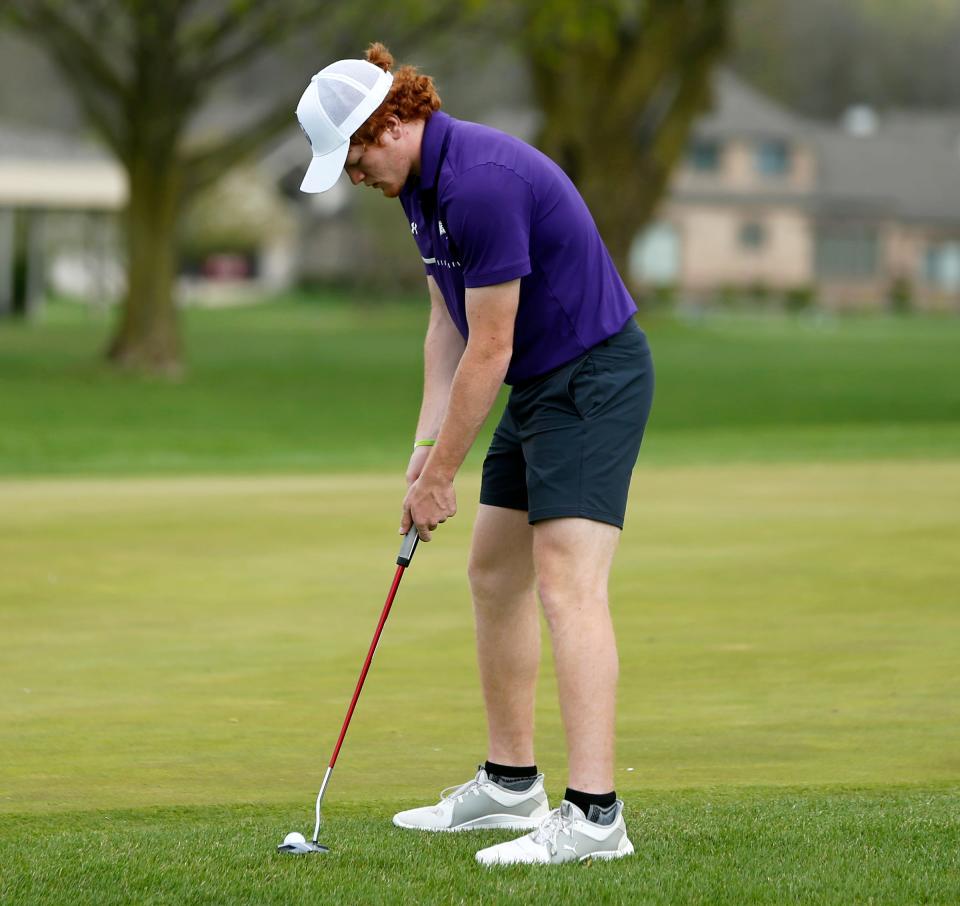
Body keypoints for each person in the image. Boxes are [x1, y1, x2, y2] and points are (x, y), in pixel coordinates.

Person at [295, 43, 654, 866]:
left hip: (592, 377)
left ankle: (596, 817)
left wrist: (444, 477)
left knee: (568, 583)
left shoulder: (480, 182)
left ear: (387, 124)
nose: (354, 177)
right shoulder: (420, 189)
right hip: (538, 383)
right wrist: (423, 458)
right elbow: (447, 327)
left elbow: (489, 348)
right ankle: (510, 782)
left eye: (352, 159)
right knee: (494, 573)